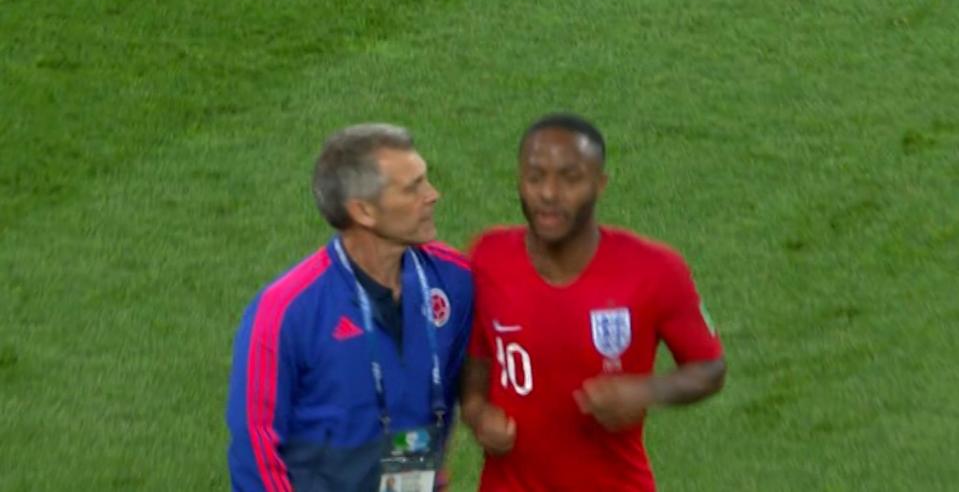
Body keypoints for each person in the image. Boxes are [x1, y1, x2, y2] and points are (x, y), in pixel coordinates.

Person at [461, 113, 726, 491]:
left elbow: (710, 368)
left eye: (570, 178)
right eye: (535, 177)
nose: (549, 193)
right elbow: (476, 363)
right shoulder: (487, 257)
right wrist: (477, 413)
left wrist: (646, 391)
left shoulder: (655, 269)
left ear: (599, 184)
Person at [226, 123, 473, 492]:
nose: (433, 195)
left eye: (426, 180)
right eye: (413, 187)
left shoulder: (452, 280)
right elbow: (255, 445)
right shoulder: (286, 310)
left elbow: (460, 383)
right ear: (364, 211)